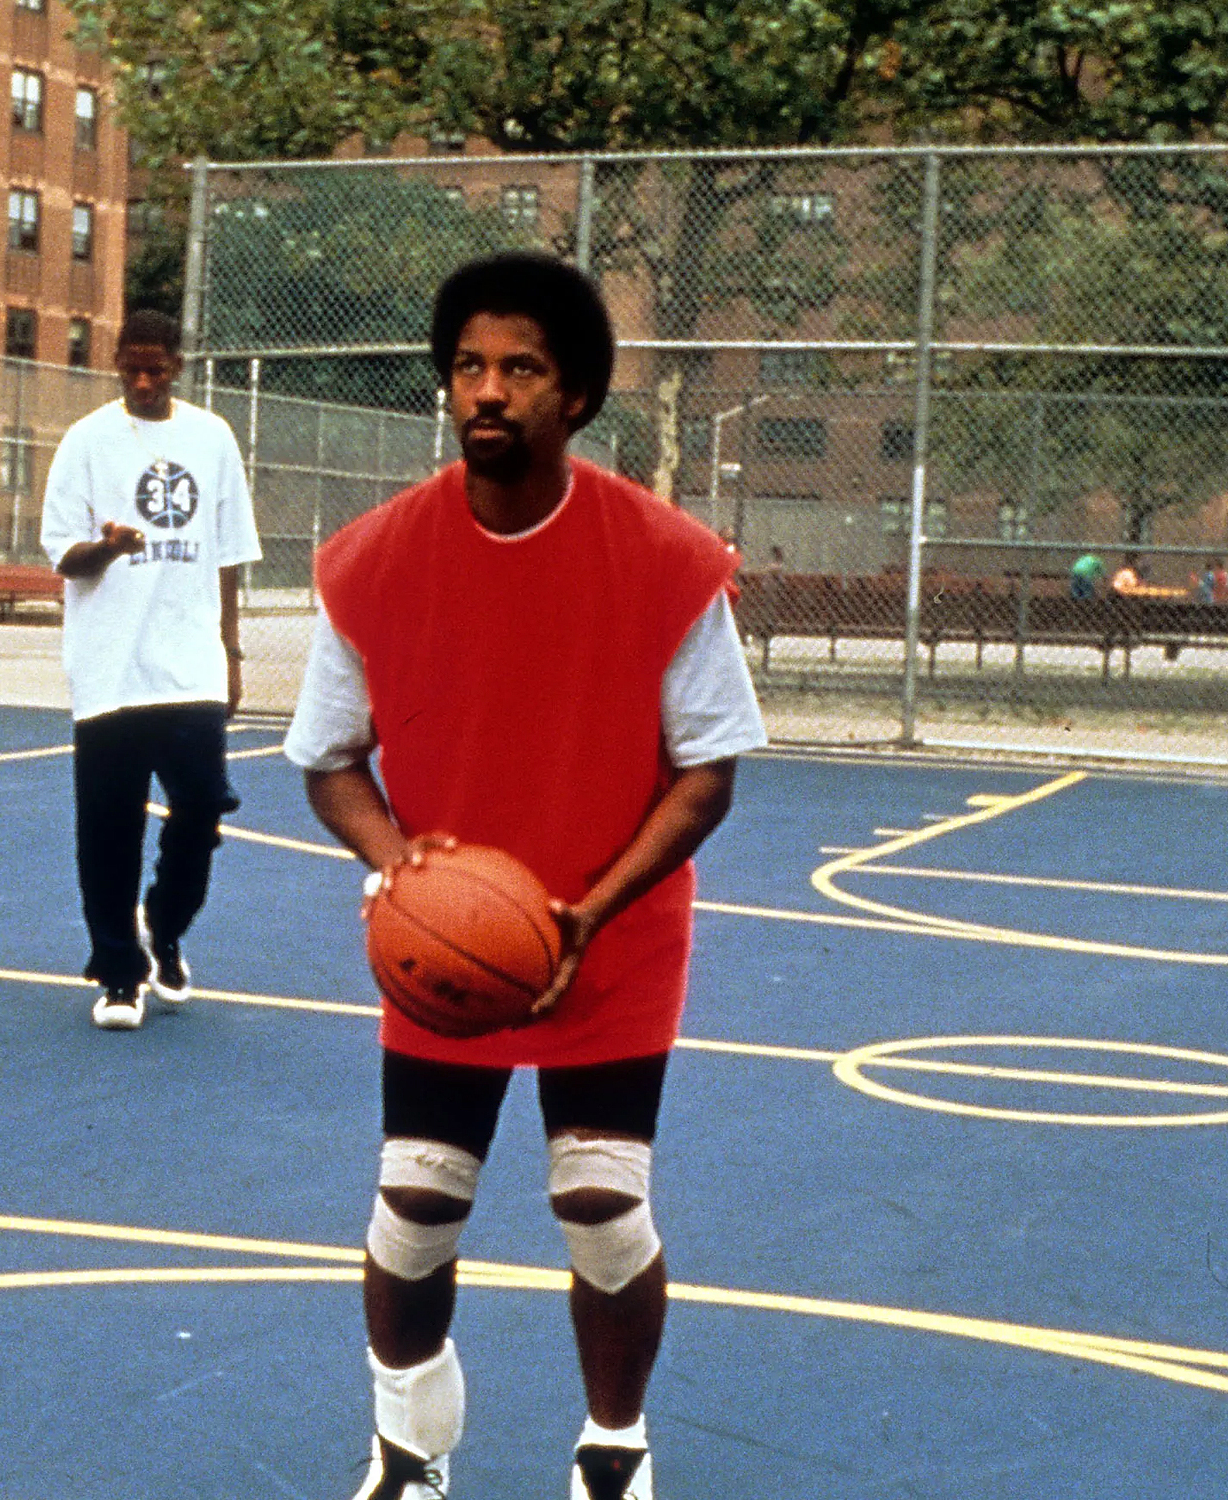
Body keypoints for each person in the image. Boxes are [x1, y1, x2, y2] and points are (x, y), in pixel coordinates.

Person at [284, 252, 766, 1500]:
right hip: (451, 943)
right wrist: (399, 868)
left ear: (577, 398)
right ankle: (408, 1448)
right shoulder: (374, 559)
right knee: (414, 1208)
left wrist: (585, 915)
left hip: (610, 942)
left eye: (520, 368)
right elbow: (327, 760)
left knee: (601, 1212)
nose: (486, 391)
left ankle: (613, 1447)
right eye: (467, 367)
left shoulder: (663, 558)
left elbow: (705, 770)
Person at [39, 309, 263, 1030]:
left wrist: (229, 652)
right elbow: (64, 558)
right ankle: (118, 974)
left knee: (201, 807)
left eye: (155, 367)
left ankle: (163, 922)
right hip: (109, 669)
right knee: (107, 829)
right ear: (114, 362)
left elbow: (229, 553)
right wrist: (106, 547)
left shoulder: (212, 437)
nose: (142, 380)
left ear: (176, 364)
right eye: (130, 367)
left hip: (189, 664)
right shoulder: (86, 442)